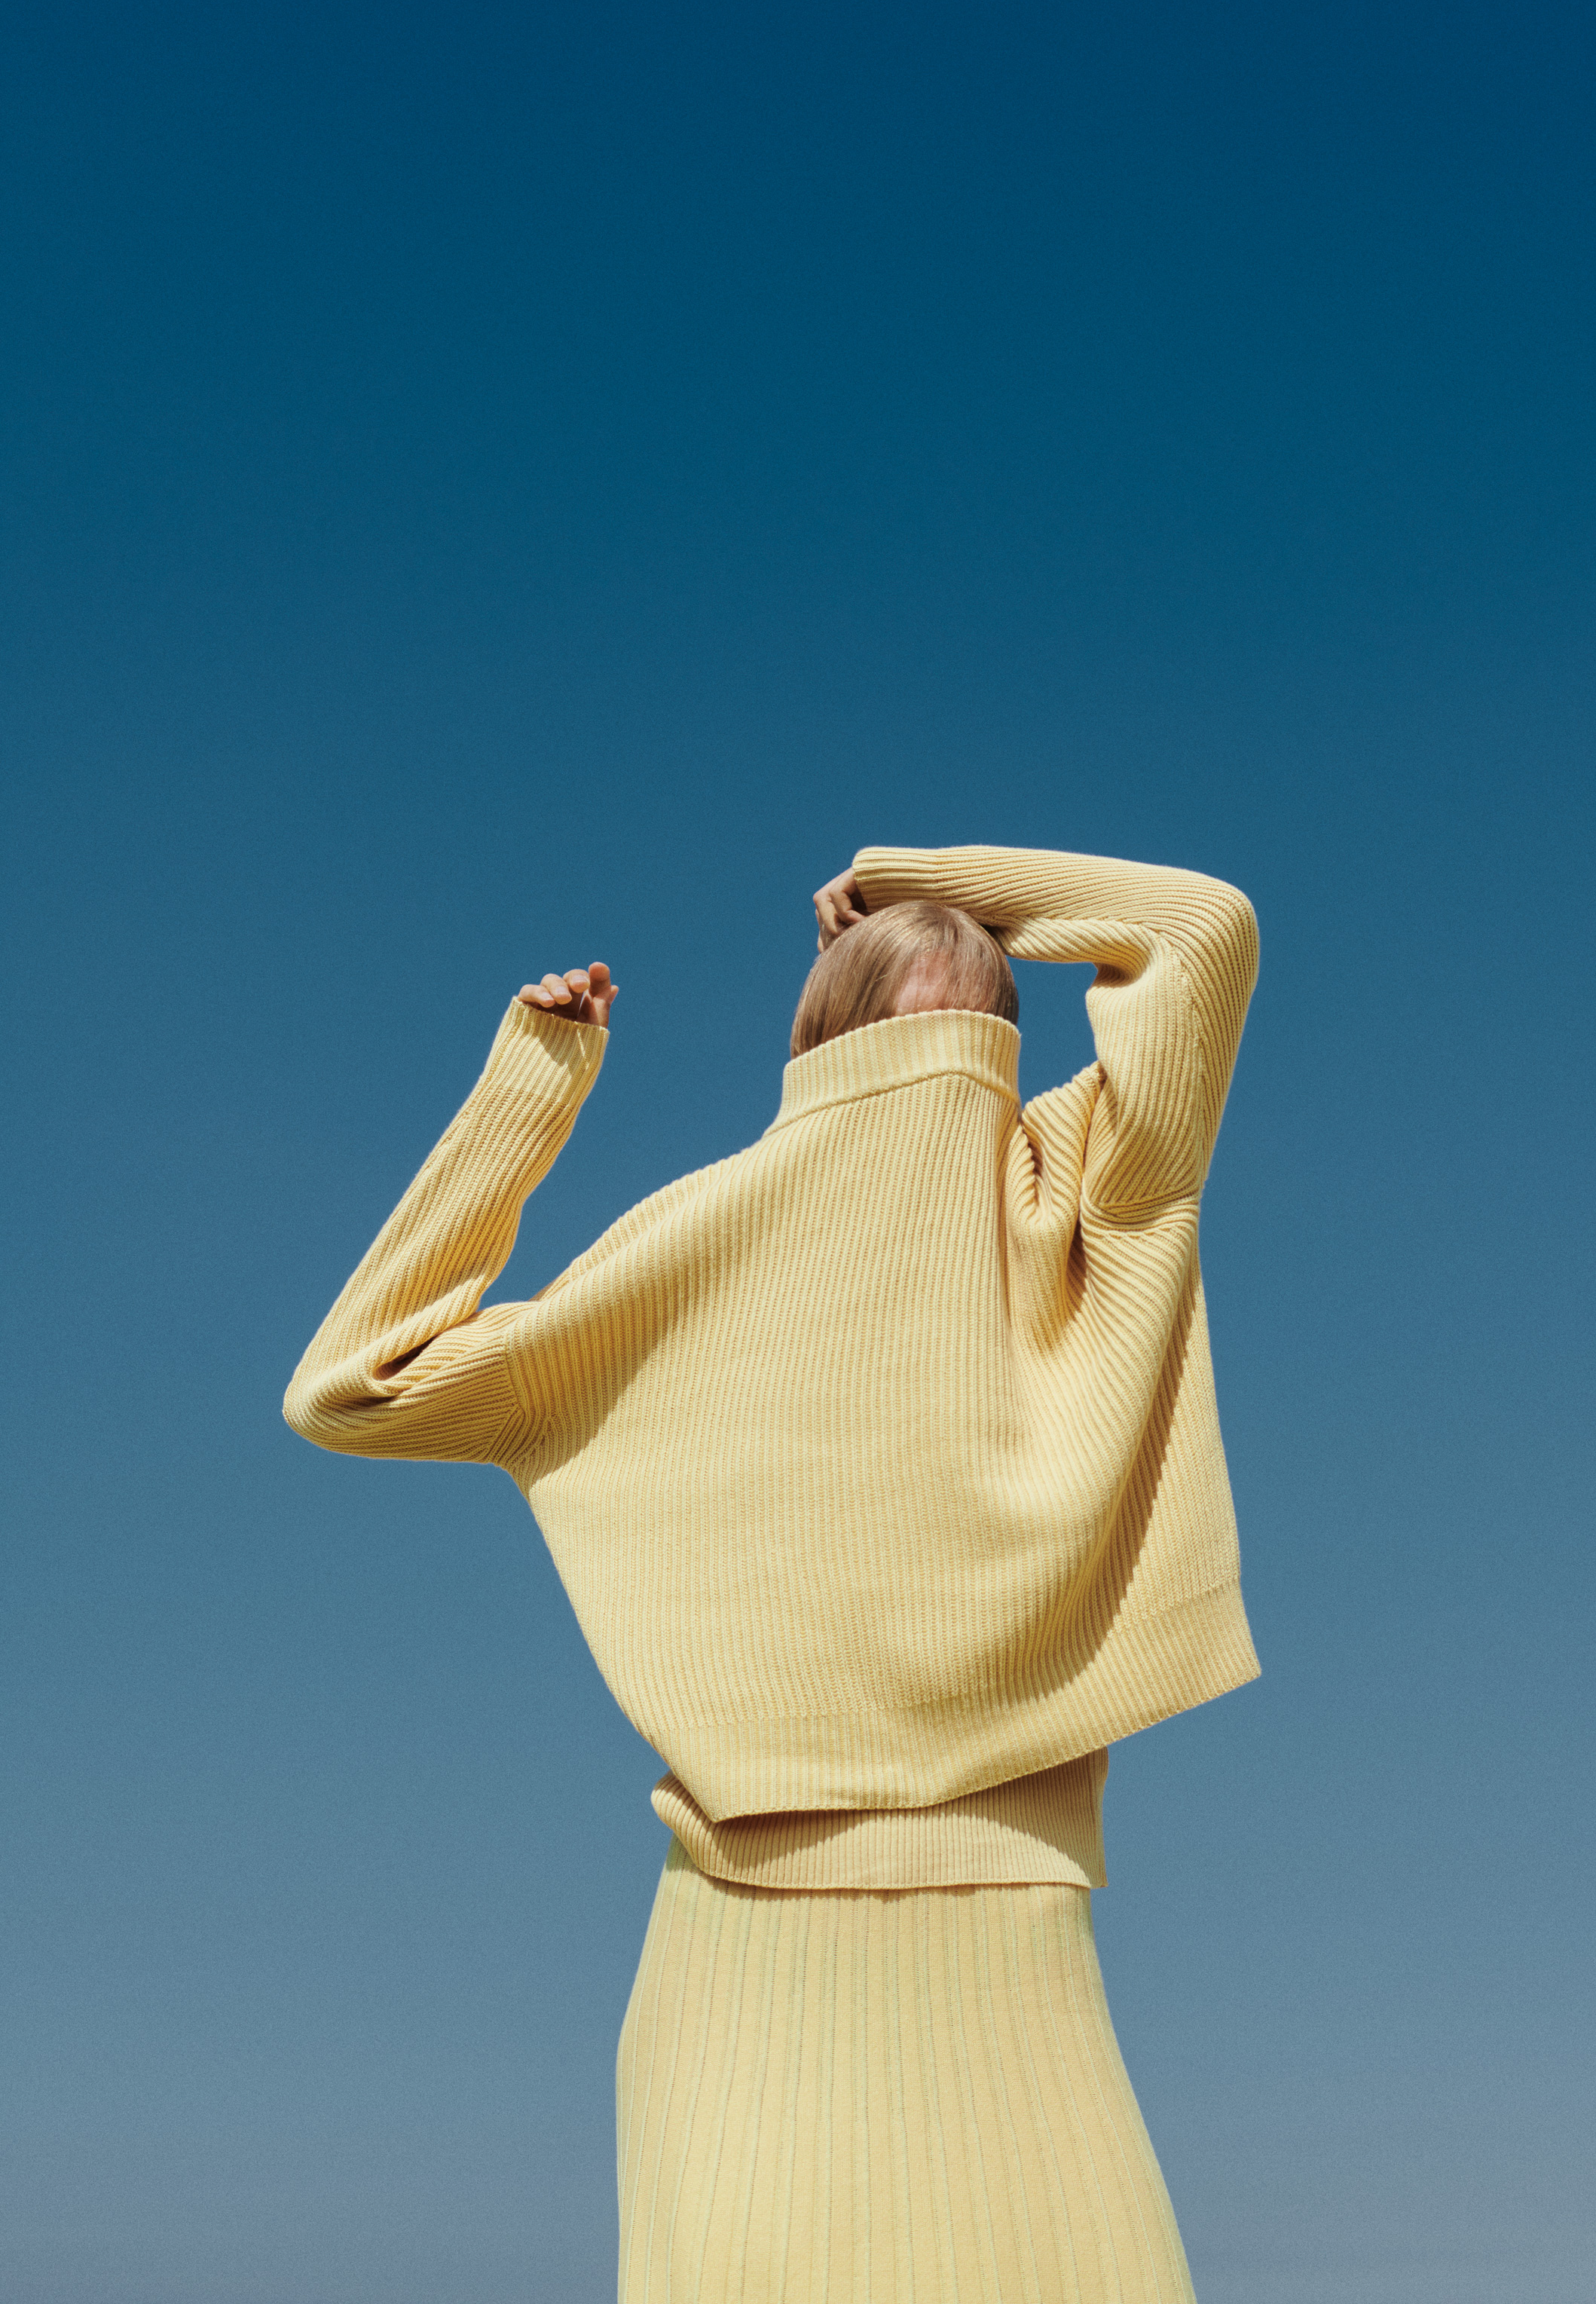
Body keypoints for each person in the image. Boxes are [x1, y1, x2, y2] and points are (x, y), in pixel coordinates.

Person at [286, 842, 1260, 2302]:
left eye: (974, 1043)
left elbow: (1207, 933)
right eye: (916, 1041)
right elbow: (354, 1388)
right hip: (774, 1949)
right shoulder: (988, 1201)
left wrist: (902, 890)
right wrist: (534, 1092)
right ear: (831, 1048)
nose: (937, 1088)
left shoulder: (1037, 1201)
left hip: (967, 1941)